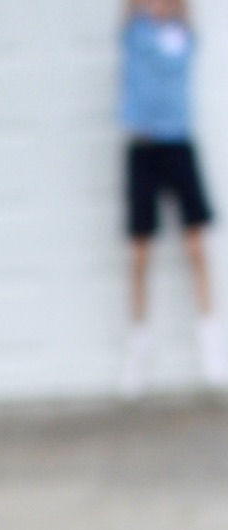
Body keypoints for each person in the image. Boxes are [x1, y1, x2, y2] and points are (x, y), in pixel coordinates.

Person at [118, 0, 226, 395]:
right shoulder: (134, 31)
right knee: (139, 255)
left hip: (178, 145)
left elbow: (174, 59)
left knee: (196, 248)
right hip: (143, 148)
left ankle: (212, 349)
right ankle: (139, 351)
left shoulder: (182, 35)